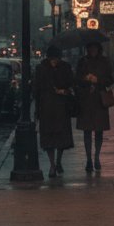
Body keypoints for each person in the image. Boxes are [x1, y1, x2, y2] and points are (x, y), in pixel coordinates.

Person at [34, 42, 75, 177]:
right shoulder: (41, 69)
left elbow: (71, 85)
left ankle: (58, 161)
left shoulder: (65, 68)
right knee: (49, 139)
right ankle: (52, 165)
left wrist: (64, 91)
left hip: (61, 107)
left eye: (56, 58)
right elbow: (37, 89)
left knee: (61, 138)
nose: (54, 61)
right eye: (52, 58)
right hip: (47, 107)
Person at [76, 38, 114, 173]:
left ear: (98, 49)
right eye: (90, 48)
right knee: (87, 131)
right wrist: (86, 80)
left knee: (99, 131)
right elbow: (77, 80)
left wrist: (98, 80)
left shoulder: (104, 62)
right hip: (86, 100)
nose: (92, 51)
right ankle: (88, 159)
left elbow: (111, 79)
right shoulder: (82, 62)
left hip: (99, 100)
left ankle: (97, 156)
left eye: (95, 48)